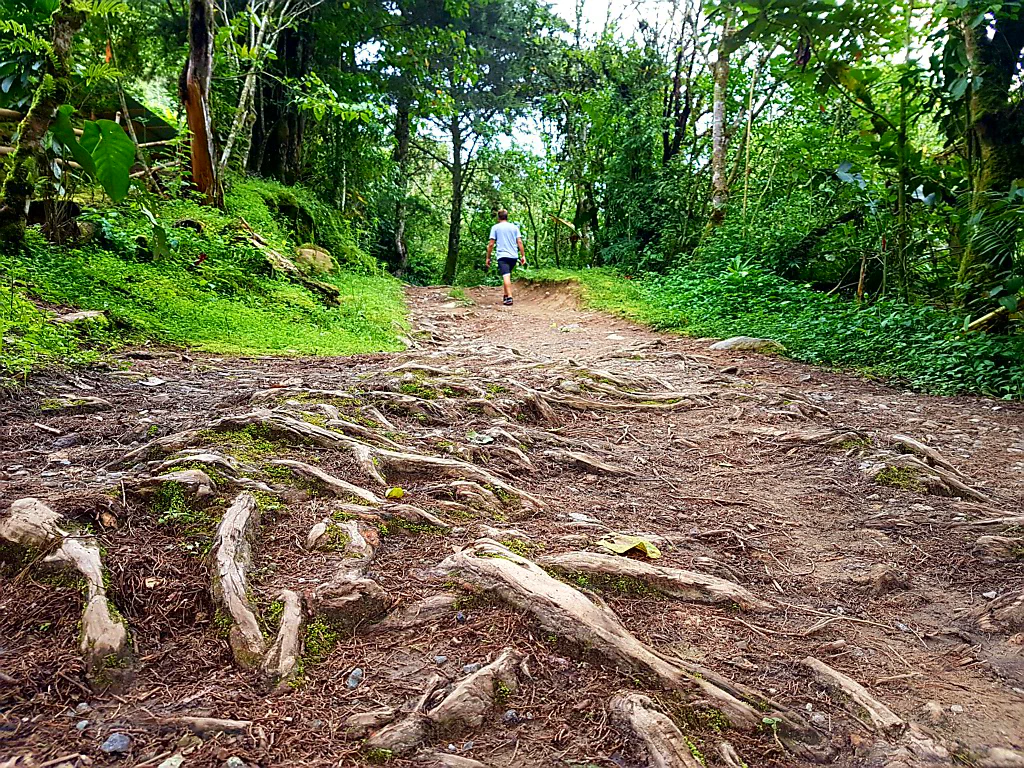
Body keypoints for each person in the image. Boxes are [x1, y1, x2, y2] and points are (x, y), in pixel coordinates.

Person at [485, 209, 526, 306]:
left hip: (503, 256)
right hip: (513, 256)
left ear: (498, 217)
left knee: (506, 276)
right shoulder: (514, 227)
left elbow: (491, 244)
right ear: (507, 216)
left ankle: (510, 297)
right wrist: (523, 255)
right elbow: (519, 242)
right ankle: (505, 295)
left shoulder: (495, 228)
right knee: (506, 275)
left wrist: (488, 257)